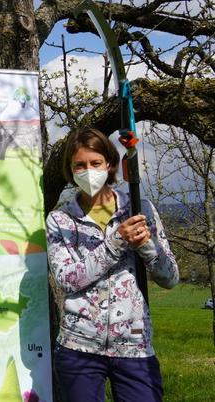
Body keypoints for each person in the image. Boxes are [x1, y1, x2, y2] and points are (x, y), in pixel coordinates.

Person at [47, 128, 179, 402]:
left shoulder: (139, 209)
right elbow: (67, 279)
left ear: (109, 164)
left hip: (134, 345)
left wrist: (146, 246)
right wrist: (117, 241)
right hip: (78, 347)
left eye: (95, 163)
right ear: (70, 171)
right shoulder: (60, 220)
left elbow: (169, 278)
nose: (88, 171)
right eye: (79, 165)